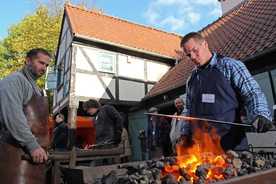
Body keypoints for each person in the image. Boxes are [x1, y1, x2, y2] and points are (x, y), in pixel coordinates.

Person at [179, 32, 274, 153]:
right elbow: (189, 111)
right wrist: (185, 133)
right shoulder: (191, 80)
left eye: (194, 50)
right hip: (202, 148)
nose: (192, 57)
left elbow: (252, 93)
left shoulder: (230, 66)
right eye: (188, 55)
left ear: (205, 44)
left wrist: (261, 114)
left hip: (232, 146)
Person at [0, 48, 51, 183]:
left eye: (47, 65)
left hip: (31, 156)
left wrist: (42, 149)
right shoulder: (15, 81)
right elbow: (13, 116)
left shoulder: (35, 88)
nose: (44, 68)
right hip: (12, 154)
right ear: (28, 61)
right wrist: (32, 145)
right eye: (41, 63)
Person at [82, 99, 123, 166]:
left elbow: (118, 118)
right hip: (100, 145)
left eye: (88, 109)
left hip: (110, 144)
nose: (87, 112)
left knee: (110, 165)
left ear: (91, 107)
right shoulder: (95, 119)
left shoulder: (107, 109)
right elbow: (97, 134)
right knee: (98, 164)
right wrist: (93, 146)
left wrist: (118, 133)